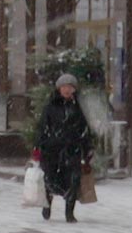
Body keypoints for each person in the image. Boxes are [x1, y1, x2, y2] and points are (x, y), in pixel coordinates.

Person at [32, 73, 94, 224]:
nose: (67, 90)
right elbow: (42, 128)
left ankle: (69, 212)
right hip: (52, 150)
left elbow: (85, 129)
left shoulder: (78, 108)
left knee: (73, 180)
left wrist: (87, 149)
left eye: (70, 87)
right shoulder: (51, 107)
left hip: (72, 149)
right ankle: (47, 203)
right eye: (64, 87)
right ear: (59, 89)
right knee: (50, 180)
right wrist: (39, 147)